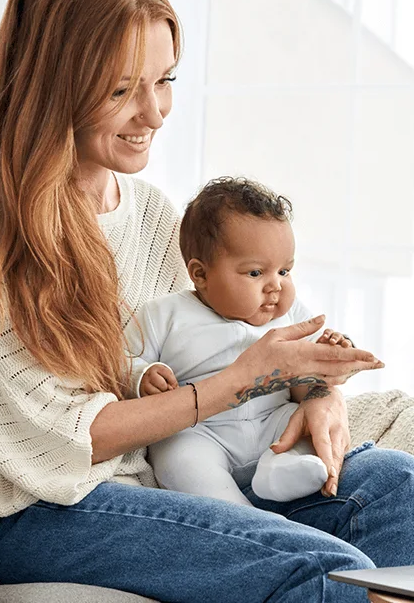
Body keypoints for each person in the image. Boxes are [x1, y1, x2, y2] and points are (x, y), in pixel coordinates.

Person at [0, 0, 414, 603]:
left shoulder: (149, 214)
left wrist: (315, 393)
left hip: (164, 476)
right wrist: (241, 382)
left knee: (403, 489)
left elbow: (218, 339)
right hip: (40, 509)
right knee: (325, 569)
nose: (155, 112)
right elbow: (61, 441)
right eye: (121, 91)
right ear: (53, 89)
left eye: (164, 80)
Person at [130, 176, 368, 506]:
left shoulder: (292, 312)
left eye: (284, 271)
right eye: (256, 273)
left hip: (273, 421)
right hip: (202, 431)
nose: (276, 286)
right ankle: (232, 510)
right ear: (201, 275)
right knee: (177, 456)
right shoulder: (164, 314)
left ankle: (282, 470)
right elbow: (120, 360)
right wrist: (143, 375)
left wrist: (332, 349)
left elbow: (314, 367)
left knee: (306, 428)